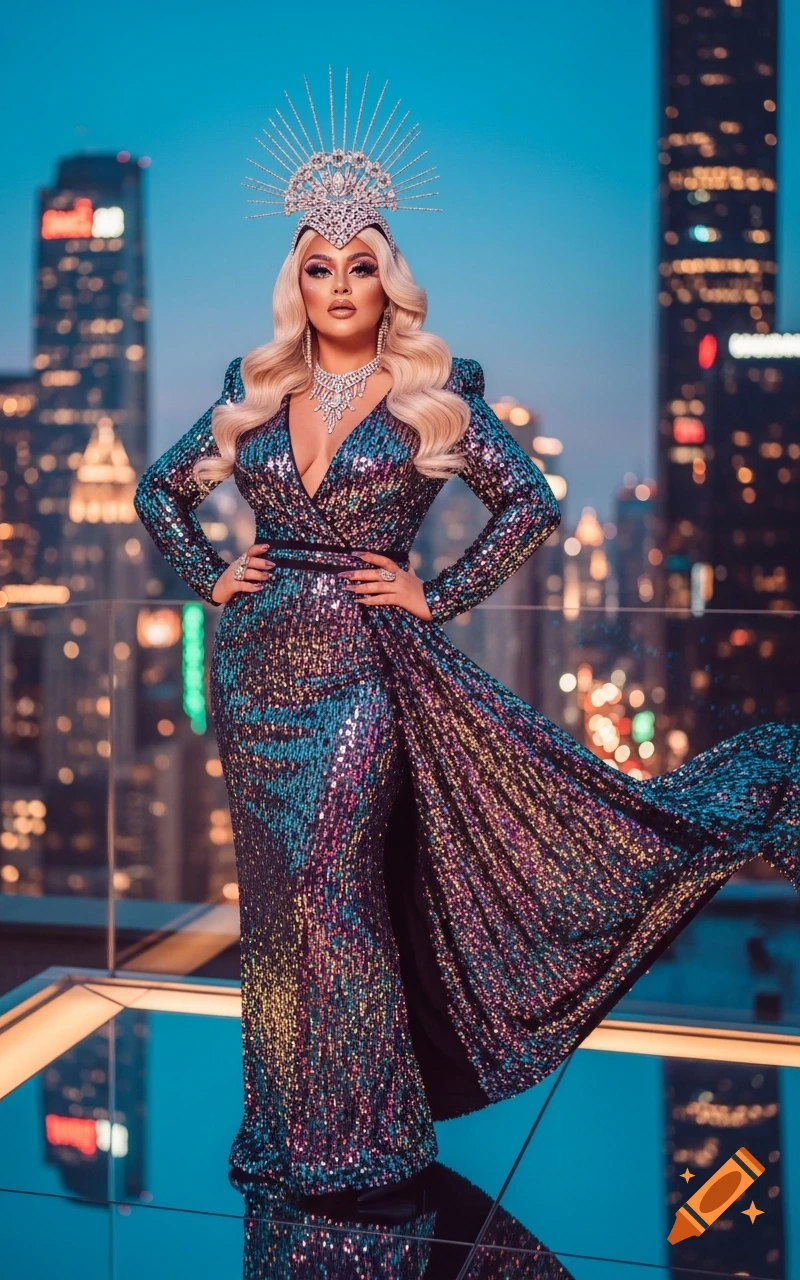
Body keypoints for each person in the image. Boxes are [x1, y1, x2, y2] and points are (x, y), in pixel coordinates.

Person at [134, 69, 800, 1218]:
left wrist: (433, 594)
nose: (338, 285)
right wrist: (211, 575)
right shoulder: (253, 388)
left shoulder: (429, 393)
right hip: (253, 675)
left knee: (337, 895)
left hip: (359, 678)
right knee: (278, 910)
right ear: (296, 282)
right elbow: (159, 492)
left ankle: (363, 1137)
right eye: (317, 267)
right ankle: (286, 1127)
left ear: (384, 280)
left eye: (358, 266)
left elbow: (529, 505)